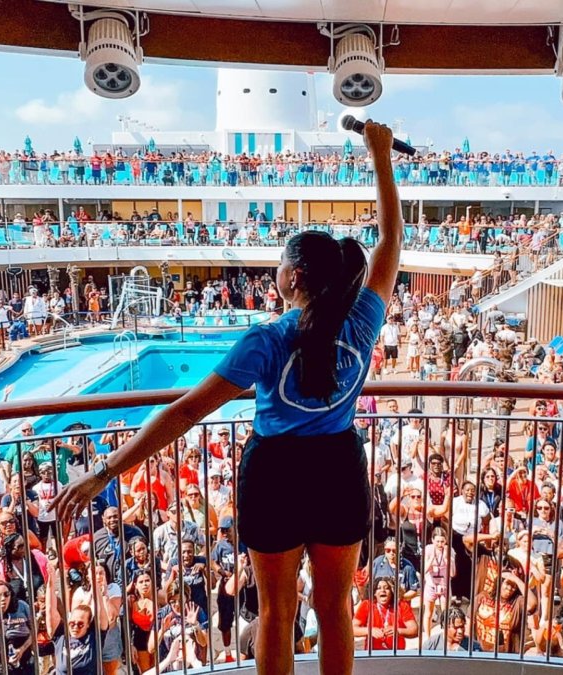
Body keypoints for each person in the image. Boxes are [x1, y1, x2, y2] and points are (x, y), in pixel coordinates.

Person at [53, 120, 402, 675]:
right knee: (335, 608)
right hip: (338, 467)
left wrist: (105, 471)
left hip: (276, 474)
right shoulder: (362, 321)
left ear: (294, 276)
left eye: (281, 262)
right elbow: (390, 240)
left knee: (277, 612)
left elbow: (185, 412)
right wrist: (380, 155)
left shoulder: (266, 340)